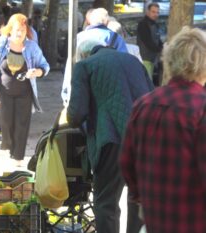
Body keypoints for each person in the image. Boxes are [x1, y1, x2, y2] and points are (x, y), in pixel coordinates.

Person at [120, 27, 206, 233]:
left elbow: (126, 162)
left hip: (155, 220)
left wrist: (142, 195)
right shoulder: (201, 108)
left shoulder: (143, 104)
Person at [66, 39, 154, 233]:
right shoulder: (133, 61)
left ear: (84, 54)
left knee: (106, 202)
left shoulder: (84, 66)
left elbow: (75, 114)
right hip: (145, 139)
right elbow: (152, 94)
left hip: (112, 140)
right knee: (137, 199)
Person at [0, 13, 50, 166]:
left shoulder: (32, 46)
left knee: (22, 123)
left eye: (23, 30)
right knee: (6, 122)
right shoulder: (1, 43)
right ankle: (9, 147)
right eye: (17, 30)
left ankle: (18, 157)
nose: (20, 33)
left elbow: (45, 66)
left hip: (24, 91)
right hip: (4, 91)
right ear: (10, 30)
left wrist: (37, 72)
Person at [61, 8, 128, 105]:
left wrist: (66, 94)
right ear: (106, 21)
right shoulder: (115, 38)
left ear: (89, 21)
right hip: (108, 88)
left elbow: (70, 67)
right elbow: (124, 65)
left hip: (81, 85)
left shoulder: (79, 38)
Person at [136, 3, 163, 79]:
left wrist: (163, 47)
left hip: (152, 58)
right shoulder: (143, 24)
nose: (156, 14)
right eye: (153, 12)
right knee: (147, 82)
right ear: (148, 12)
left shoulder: (154, 24)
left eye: (157, 12)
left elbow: (158, 40)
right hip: (145, 58)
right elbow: (148, 42)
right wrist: (160, 49)